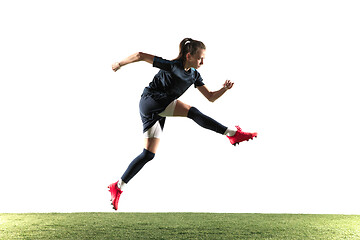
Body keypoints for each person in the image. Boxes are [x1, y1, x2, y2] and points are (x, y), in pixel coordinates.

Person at [108, 38, 257, 210]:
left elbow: (210, 97)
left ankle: (118, 186)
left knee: (148, 154)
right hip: (150, 101)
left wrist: (224, 89)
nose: (203, 61)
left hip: (160, 108)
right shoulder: (172, 65)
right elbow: (140, 55)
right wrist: (119, 64)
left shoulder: (194, 75)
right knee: (192, 112)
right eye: (200, 58)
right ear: (189, 56)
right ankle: (232, 134)